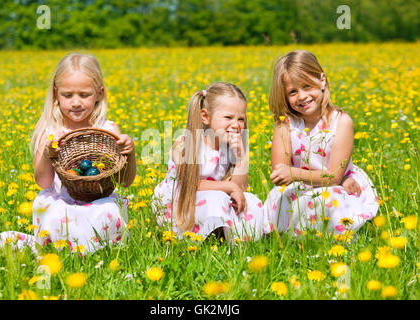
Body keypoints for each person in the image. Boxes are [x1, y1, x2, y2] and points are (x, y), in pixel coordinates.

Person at [0, 53, 136, 254]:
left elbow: (125, 182)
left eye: (84, 94)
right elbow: (43, 182)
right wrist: (46, 153)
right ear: (56, 94)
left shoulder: (108, 130)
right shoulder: (50, 132)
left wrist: (130, 154)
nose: (76, 102)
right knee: (57, 214)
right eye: (68, 95)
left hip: (98, 201)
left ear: (99, 93)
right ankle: (70, 250)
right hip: (62, 202)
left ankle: (94, 252)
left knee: (108, 211)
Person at [263, 50, 379, 238]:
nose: (301, 96)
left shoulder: (341, 122)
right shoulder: (285, 124)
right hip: (299, 186)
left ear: (322, 80)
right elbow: (279, 171)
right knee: (283, 199)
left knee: (330, 200)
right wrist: (292, 175)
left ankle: (331, 238)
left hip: (337, 184)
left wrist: (296, 174)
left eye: (307, 86)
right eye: (293, 92)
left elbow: (333, 176)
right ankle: (293, 237)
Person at [152, 82, 271, 242]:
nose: (236, 125)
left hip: (213, 199)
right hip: (179, 204)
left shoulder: (230, 147)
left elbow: (239, 189)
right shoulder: (186, 144)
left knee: (251, 201)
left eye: (241, 119)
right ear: (205, 116)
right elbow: (188, 184)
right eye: (228, 117)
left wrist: (241, 158)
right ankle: (208, 240)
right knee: (215, 199)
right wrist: (228, 186)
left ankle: (239, 245)